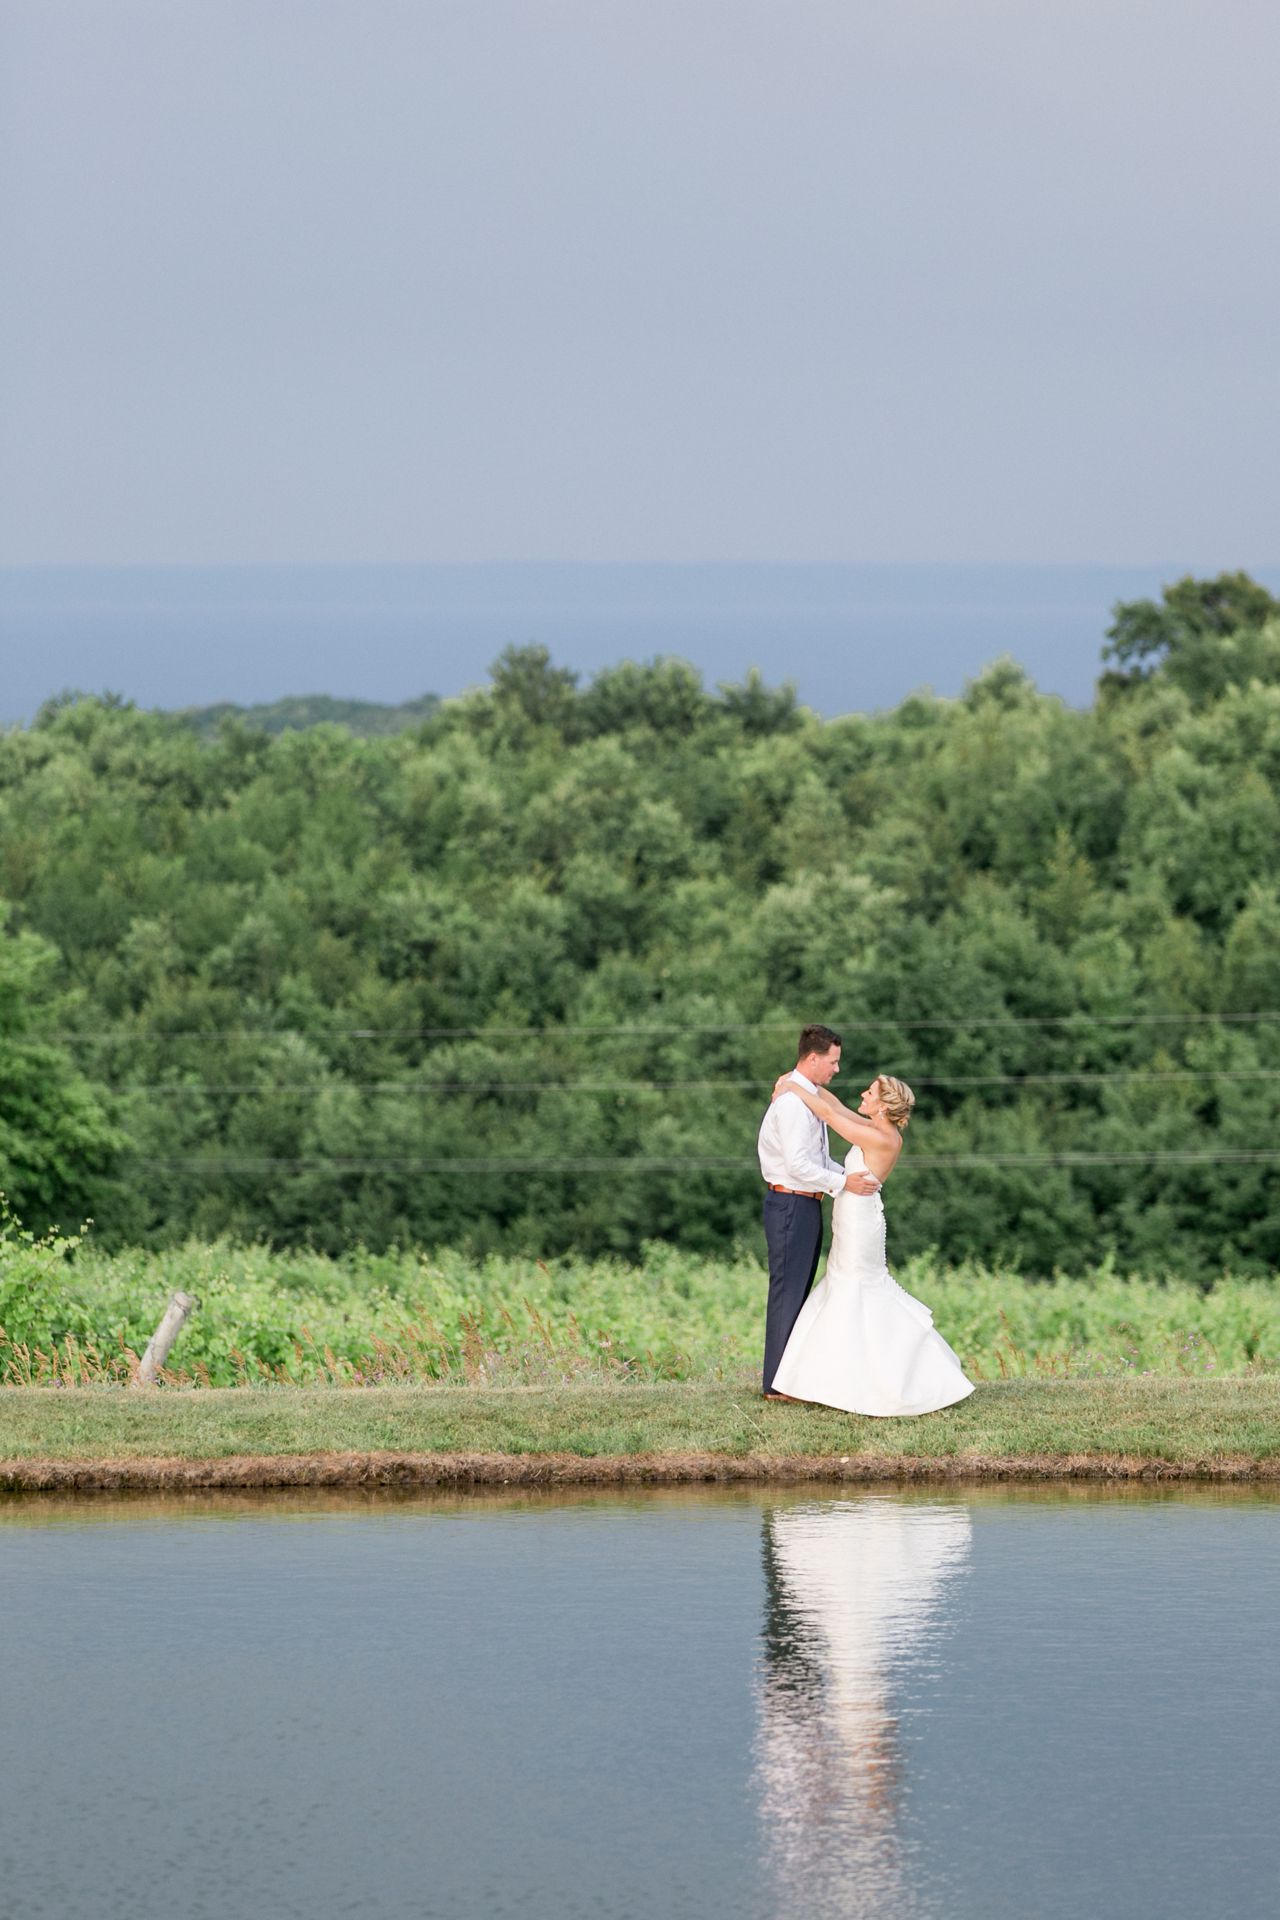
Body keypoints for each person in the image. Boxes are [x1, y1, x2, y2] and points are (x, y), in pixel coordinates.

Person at [767, 1070, 975, 1416]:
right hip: (852, 1215)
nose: (862, 1094)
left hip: (860, 1222)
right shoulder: (876, 1129)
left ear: (882, 1106)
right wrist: (801, 1079)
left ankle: (880, 1377)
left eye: (870, 1093)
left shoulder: (883, 1139)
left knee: (857, 1288)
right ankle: (827, 1378)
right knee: (844, 1285)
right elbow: (834, 1105)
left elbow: (830, 1115)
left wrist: (791, 1089)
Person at [757, 1025, 881, 1399]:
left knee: (799, 1289)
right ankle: (776, 1386)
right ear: (813, 1058)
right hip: (791, 1202)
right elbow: (797, 1166)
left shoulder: (806, 1095)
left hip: (805, 1203)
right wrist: (845, 1184)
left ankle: (787, 1379)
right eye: (833, 1061)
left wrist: (850, 1178)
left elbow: (816, 1158)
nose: (837, 1069)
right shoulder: (793, 1104)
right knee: (788, 1291)